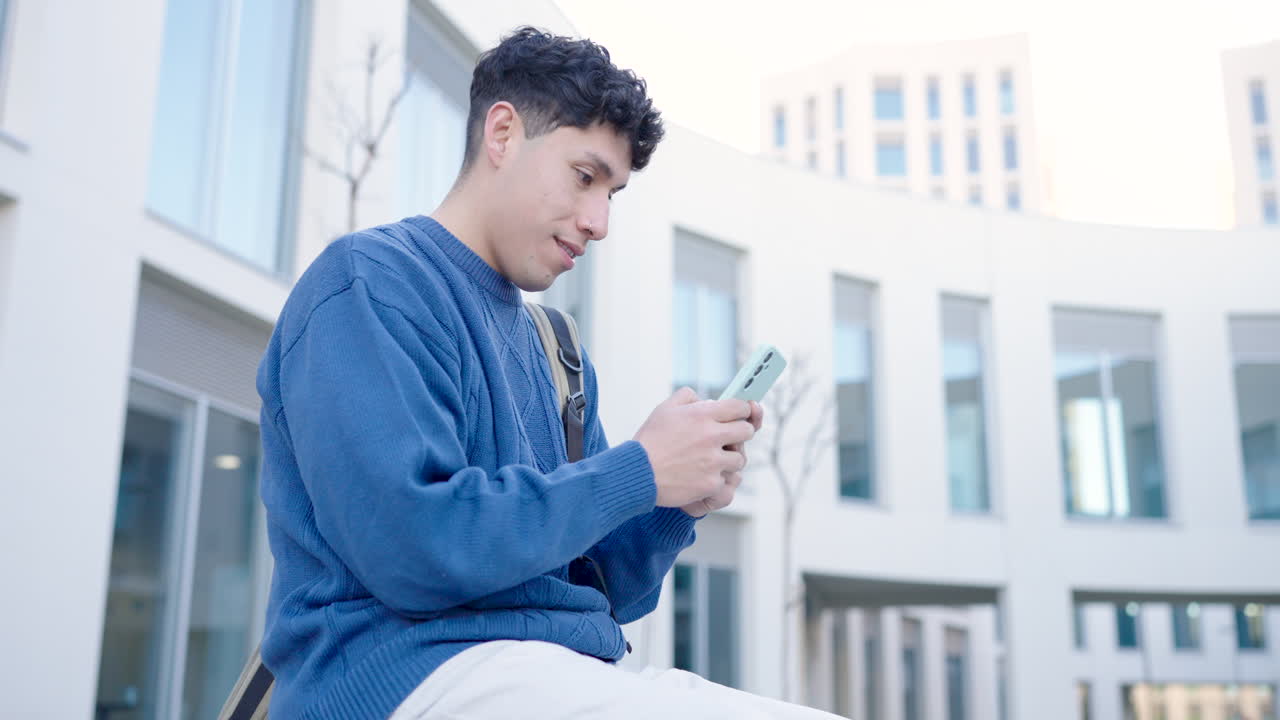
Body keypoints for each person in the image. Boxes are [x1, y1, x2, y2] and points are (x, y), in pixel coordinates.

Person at [256, 25, 840, 720]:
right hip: (411, 675)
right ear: (502, 134)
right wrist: (639, 470)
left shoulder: (556, 348)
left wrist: (673, 499)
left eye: (613, 194)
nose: (598, 221)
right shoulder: (369, 284)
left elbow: (602, 587)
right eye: (584, 176)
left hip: (561, 670)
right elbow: (412, 550)